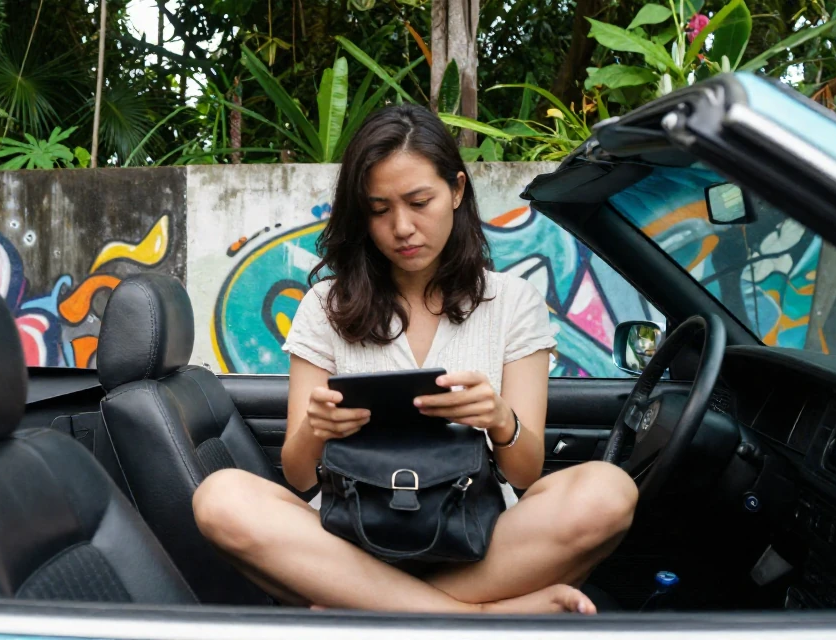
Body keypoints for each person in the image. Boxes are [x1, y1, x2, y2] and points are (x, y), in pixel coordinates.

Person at [193, 103, 638, 615]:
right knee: (220, 498)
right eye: (380, 210)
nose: (402, 227)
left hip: (475, 531)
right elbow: (299, 476)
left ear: (456, 190)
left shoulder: (512, 301)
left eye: (419, 201)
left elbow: (524, 472)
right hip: (350, 533)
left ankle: (369, 608)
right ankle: (471, 617)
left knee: (609, 491)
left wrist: (499, 418)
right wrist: (316, 428)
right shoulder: (324, 305)